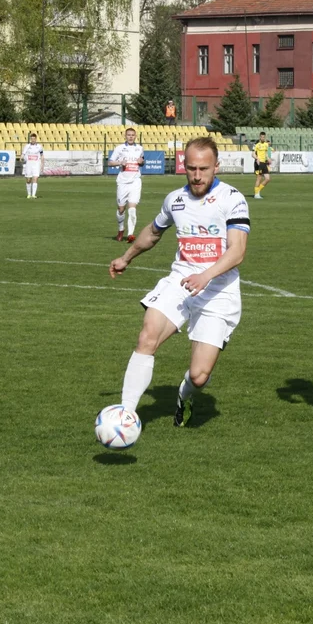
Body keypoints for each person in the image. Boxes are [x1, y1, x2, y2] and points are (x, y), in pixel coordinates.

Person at [109, 137, 250, 429]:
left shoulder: (232, 198)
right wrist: (126, 257)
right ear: (183, 166)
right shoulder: (175, 199)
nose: (197, 175)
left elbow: (237, 251)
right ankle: (125, 416)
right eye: (191, 168)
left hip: (218, 291)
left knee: (199, 376)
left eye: (204, 169)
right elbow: (153, 231)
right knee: (147, 336)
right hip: (181, 281)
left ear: (216, 167)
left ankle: (184, 396)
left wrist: (206, 276)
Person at [108, 127, 145, 242]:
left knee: (132, 209)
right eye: (128, 135)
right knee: (121, 209)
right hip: (123, 182)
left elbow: (142, 161)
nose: (130, 137)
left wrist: (142, 162)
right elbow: (109, 162)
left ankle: (130, 234)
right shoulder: (119, 148)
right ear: (125, 136)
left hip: (135, 181)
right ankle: (121, 229)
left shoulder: (139, 148)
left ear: (135, 136)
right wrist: (120, 162)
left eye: (132, 135)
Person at [22, 132, 44, 199]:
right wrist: (21, 157)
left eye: (34, 139)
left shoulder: (39, 146)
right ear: (30, 139)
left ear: (36, 139)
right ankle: (29, 194)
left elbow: (42, 155)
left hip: (36, 164)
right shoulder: (27, 146)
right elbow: (23, 154)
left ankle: (33, 195)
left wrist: (42, 164)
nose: (33, 140)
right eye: (32, 139)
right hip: (29, 164)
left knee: (35, 178)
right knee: (28, 180)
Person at [252, 132, 272, 199]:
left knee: (268, 179)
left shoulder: (266, 144)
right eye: (261, 137)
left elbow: (265, 153)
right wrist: (257, 158)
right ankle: (256, 194)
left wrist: (268, 158)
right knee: (259, 178)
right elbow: (253, 154)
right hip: (258, 163)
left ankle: (257, 191)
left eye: (264, 137)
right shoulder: (256, 145)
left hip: (264, 163)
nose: (263, 138)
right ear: (259, 137)